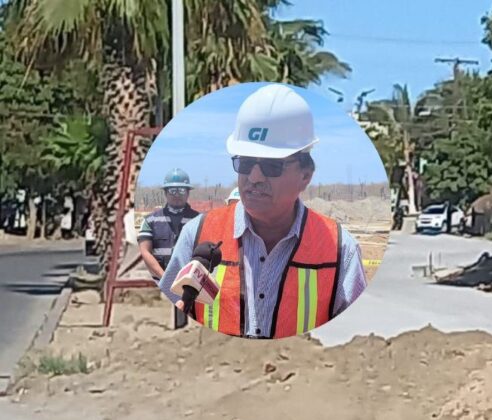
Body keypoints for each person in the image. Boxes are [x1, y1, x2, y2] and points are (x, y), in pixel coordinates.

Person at [158, 83, 367, 339]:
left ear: (305, 175)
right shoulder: (196, 235)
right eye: (245, 162)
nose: (254, 177)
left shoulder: (340, 251)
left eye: (271, 166)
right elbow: (176, 316)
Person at [138, 169, 200, 281]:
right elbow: (145, 251)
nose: (177, 194)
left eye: (181, 190)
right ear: (165, 192)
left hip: (190, 284)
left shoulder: (198, 220)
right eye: (172, 190)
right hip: (159, 282)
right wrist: (164, 278)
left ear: (188, 193)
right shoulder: (150, 221)